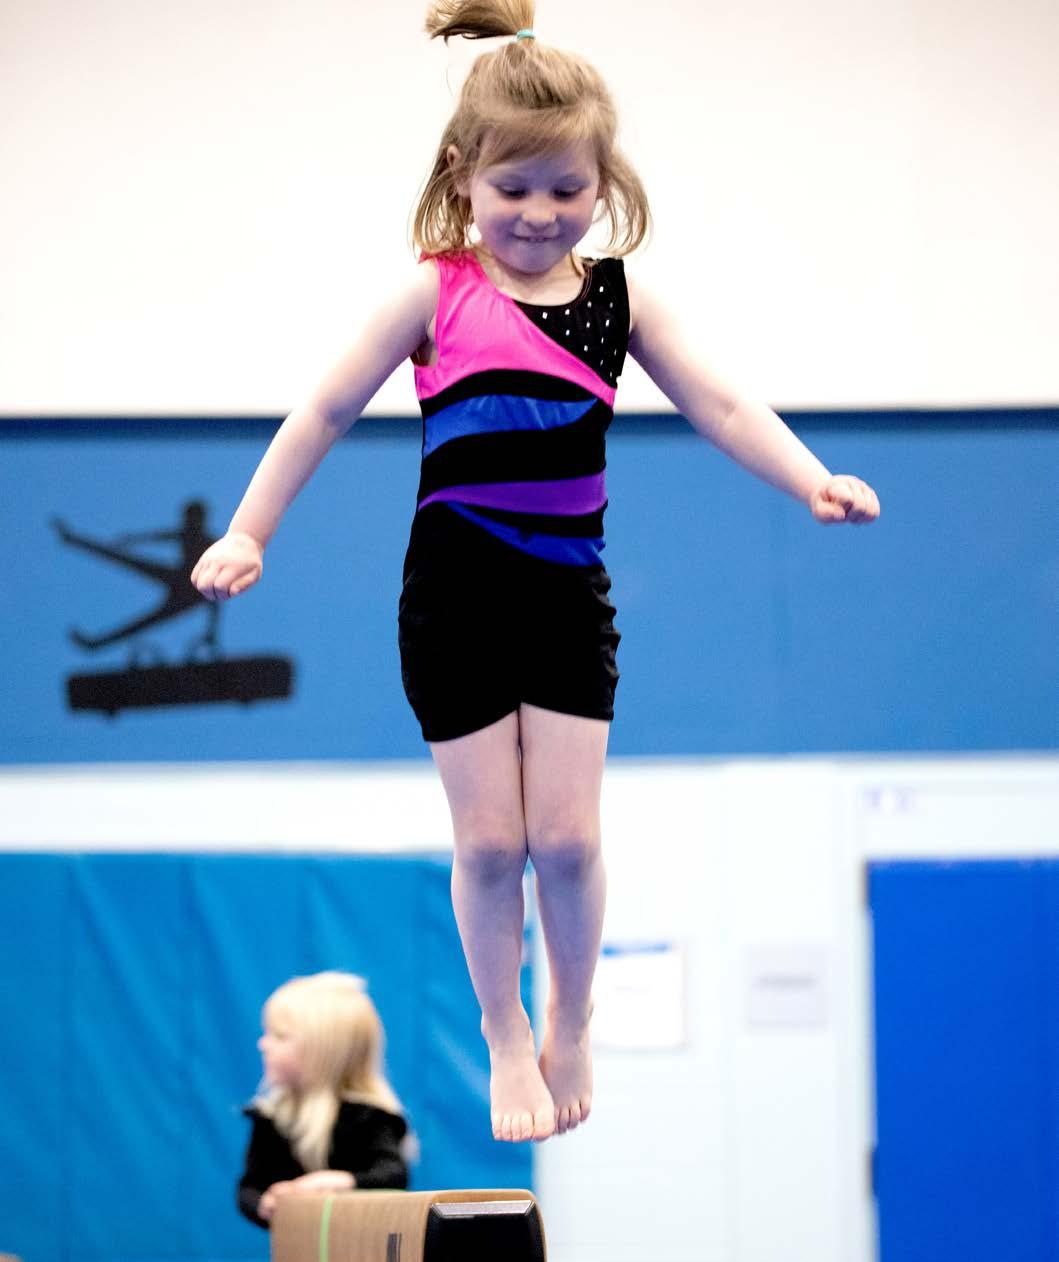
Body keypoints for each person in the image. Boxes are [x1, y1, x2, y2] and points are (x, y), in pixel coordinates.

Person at [194, 0, 880, 1147]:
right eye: (513, 189)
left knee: (565, 839)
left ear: (604, 182)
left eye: (567, 188)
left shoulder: (619, 298)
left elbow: (719, 401)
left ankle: (572, 1010)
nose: (539, 212)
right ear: (463, 176)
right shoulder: (434, 292)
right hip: (453, 600)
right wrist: (248, 532)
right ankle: (504, 1026)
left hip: (566, 598)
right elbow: (322, 410)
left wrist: (809, 477)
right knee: (488, 843)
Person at [236, 972, 409, 1228]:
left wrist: (343, 1182)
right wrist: (264, 1203)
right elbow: (249, 1186)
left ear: (322, 1051)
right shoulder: (272, 1117)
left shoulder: (368, 1117)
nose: (263, 1044)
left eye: (279, 1036)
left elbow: (393, 1174)